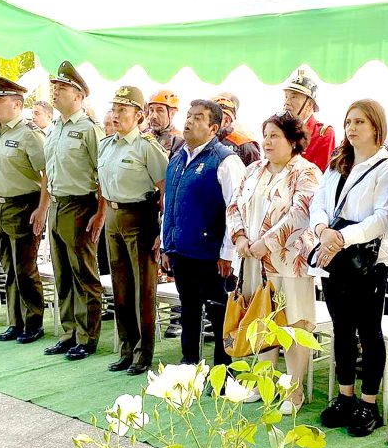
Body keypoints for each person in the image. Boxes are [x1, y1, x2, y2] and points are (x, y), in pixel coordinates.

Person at [310, 99, 388, 436]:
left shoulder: (387, 167)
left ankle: (369, 403)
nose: (352, 128)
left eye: (360, 121)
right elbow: (319, 203)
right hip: (334, 259)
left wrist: (340, 237)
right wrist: (322, 231)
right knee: (341, 329)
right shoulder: (338, 164)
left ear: (376, 126)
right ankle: (345, 396)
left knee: (369, 331)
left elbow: (384, 217)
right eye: (348, 121)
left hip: (368, 263)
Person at [227, 111, 321, 414]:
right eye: (265, 135)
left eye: (274, 136)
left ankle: (293, 392)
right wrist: (240, 238)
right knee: (260, 321)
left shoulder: (305, 172)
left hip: (288, 262)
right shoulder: (253, 169)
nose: (267, 141)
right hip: (252, 261)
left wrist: (264, 243)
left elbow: (300, 214)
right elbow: (234, 205)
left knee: (293, 326)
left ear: (293, 141)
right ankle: (262, 383)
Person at [162, 99, 244, 367]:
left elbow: (236, 210)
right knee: (188, 310)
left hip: (212, 256)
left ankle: (224, 369)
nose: (189, 121)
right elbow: (170, 205)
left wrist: (228, 254)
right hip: (181, 249)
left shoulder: (226, 160)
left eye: (198, 118)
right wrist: (166, 244)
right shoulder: (176, 158)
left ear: (213, 127)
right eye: (189, 115)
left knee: (219, 313)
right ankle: (189, 363)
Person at [98, 86, 168, 376]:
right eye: (114, 109)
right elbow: (102, 185)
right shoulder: (106, 145)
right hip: (114, 218)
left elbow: (165, 191)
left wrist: (161, 233)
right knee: (121, 288)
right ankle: (127, 348)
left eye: (123, 110)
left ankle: (143, 354)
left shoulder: (147, 147)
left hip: (140, 217)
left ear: (139, 115)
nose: (116, 115)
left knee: (143, 289)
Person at [42, 61, 106, 360]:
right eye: (54, 88)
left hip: (81, 205)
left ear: (79, 95)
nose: (55, 93)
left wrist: (100, 212)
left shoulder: (89, 129)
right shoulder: (54, 128)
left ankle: (87, 335)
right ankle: (68, 333)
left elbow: (102, 172)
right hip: (57, 203)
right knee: (62, 273)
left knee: (83, 273)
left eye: (62, 88)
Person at [0, 76, 49, 344]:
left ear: (17, 104)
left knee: (24, 269)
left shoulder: (29, 134)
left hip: (24, 205)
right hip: (0, 205)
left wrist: (42, 209)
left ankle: (33, 322)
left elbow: (46, 174)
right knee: (8, 267)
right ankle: (15, 321)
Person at [283, 70, 336, 172]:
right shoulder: (280, 129)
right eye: (286, 97)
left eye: (293, 97)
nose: (286, 103)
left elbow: (319, 175)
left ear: (309, 105)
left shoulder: (324, 133)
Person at [213, 95, 261, 167]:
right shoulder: (204, 140)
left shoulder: (244, 144)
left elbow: (255, 173)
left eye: (214, 117)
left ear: (227, 121)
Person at [147, 90, 185, 156]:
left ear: (172, 113)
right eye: (151, 110)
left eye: (160, 111)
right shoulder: (145, 136)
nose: (154, 116)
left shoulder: (179, 141)